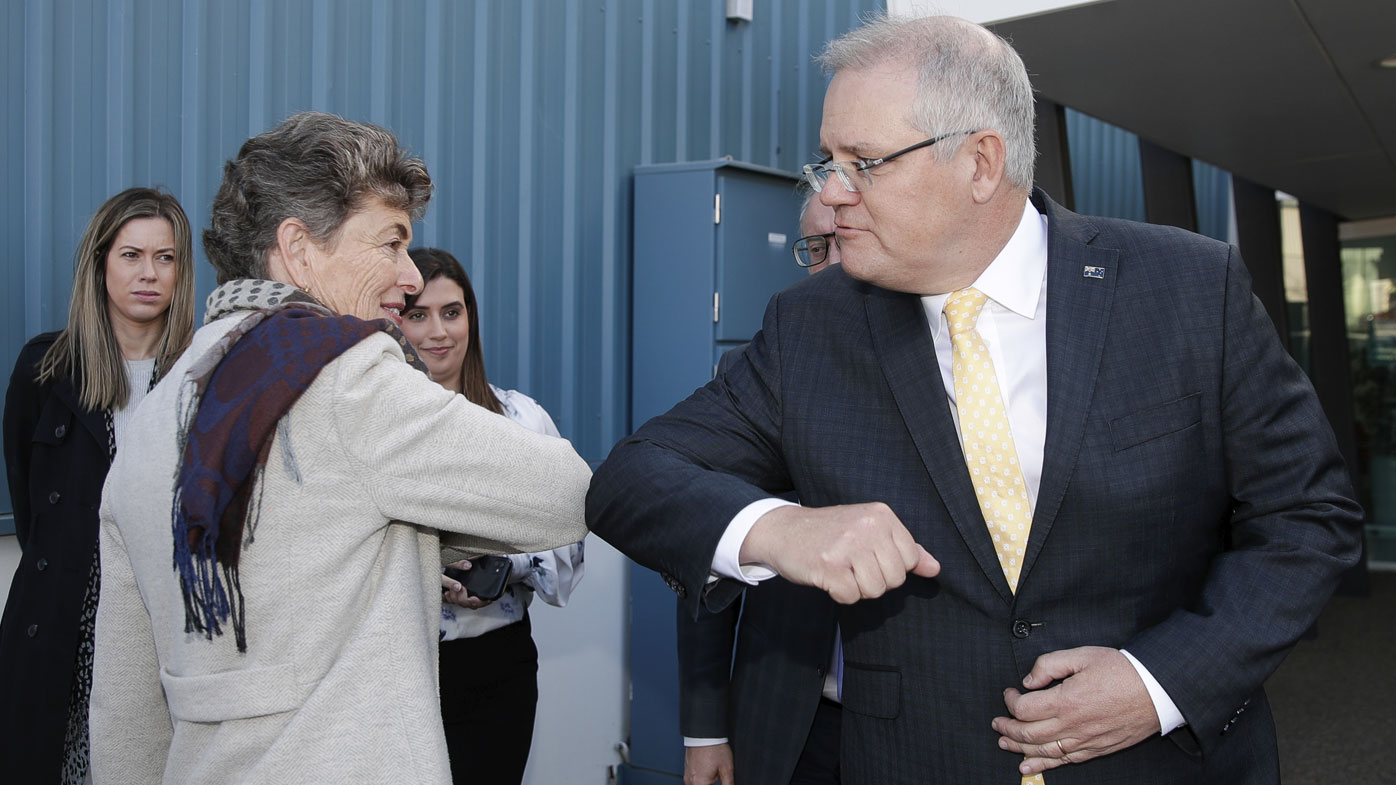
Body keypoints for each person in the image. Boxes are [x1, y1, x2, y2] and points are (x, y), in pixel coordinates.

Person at [587, 14, 1364, 784]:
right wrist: (778, 528)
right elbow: (632, 475)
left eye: (863, 162)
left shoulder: (1189, 288)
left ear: (981, 163)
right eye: (828, 162)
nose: (833, 193)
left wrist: (1159, 682)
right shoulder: (810, 328)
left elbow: (1308, 516)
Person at [88, 112, 591, 785]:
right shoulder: (349, 377)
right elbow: (562, 492)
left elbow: (125, 712)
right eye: (392, 243)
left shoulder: (154, 417)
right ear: (299, 248)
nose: (409, 275)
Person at [1, 186, 195, 784]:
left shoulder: (203, 373)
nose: (148, 273)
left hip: (169, 627)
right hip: (64, 621)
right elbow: (32, 510)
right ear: (100, 263)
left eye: (165, 258)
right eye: (131, 255)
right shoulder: (46, 369)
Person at [399, 247, 585, 785]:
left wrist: (506, 568)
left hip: (495, 669)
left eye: (451, 312)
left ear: (471, 319)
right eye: (418, 314)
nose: (438, 332)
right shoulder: (375, 430)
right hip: (398, 670)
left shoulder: (520, 421)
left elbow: (571, 539)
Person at [677, 192, 843, 785]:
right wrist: (705, 729)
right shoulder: (755, 376)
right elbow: (706, 560)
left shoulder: (951, 370)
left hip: (918, 726)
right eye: (816, 247)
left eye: (847, 241)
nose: (831, 264)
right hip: (785, 716)